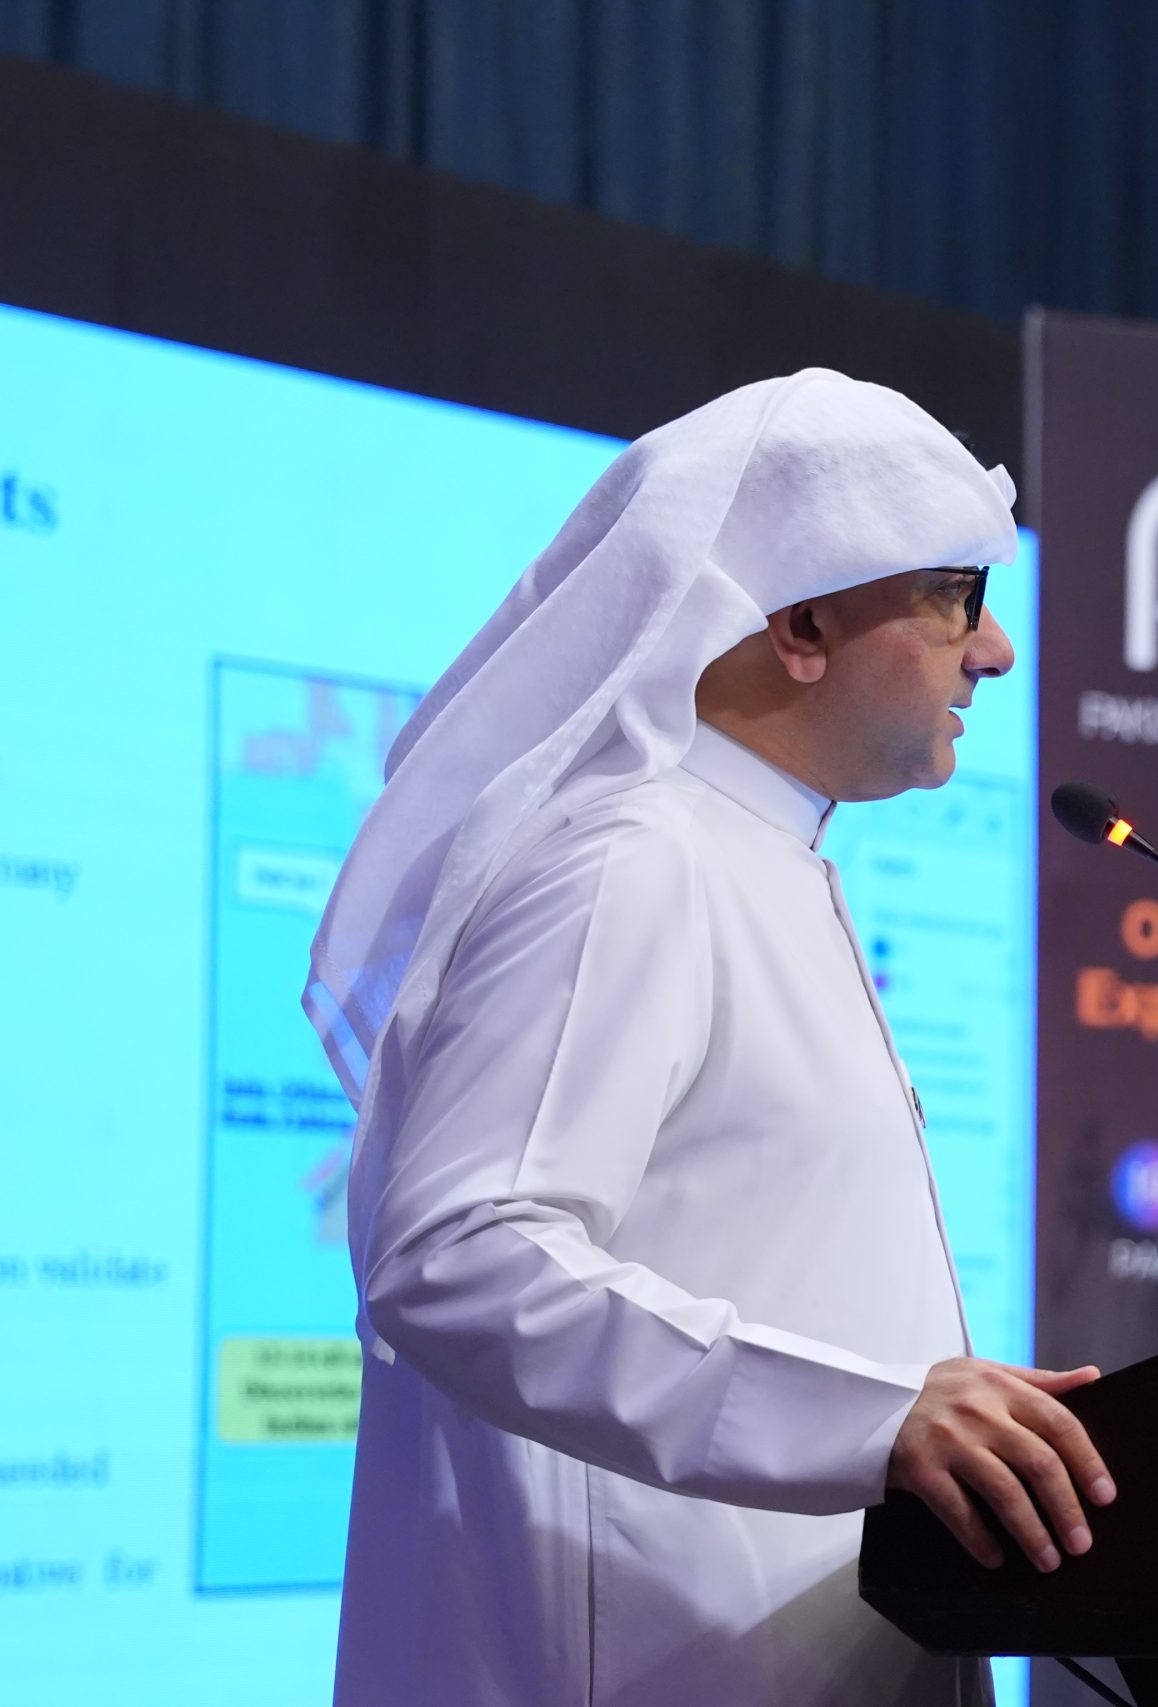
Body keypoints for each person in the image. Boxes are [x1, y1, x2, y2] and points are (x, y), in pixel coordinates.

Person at [308, 371, 1109, 1706]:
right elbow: (456, 1256)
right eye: (954, 596)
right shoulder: (633, 859)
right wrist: (876, 1419)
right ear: (801, 624)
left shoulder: (755, 856)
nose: (995, 650)